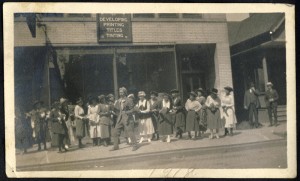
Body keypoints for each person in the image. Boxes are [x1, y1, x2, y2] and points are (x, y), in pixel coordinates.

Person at [110, 87, 138, 151]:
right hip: (120, 118)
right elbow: (117, 110)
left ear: (125, 92)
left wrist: (126, 112)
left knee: (130, 132)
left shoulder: (129, 100)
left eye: (122, 92)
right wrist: (112, 107)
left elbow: (133, 110)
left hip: (128, 118)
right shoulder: (118, 100)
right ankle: (116, 146)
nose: (120, 93)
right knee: (115, 132)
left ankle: (135, 145)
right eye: (120, 92)